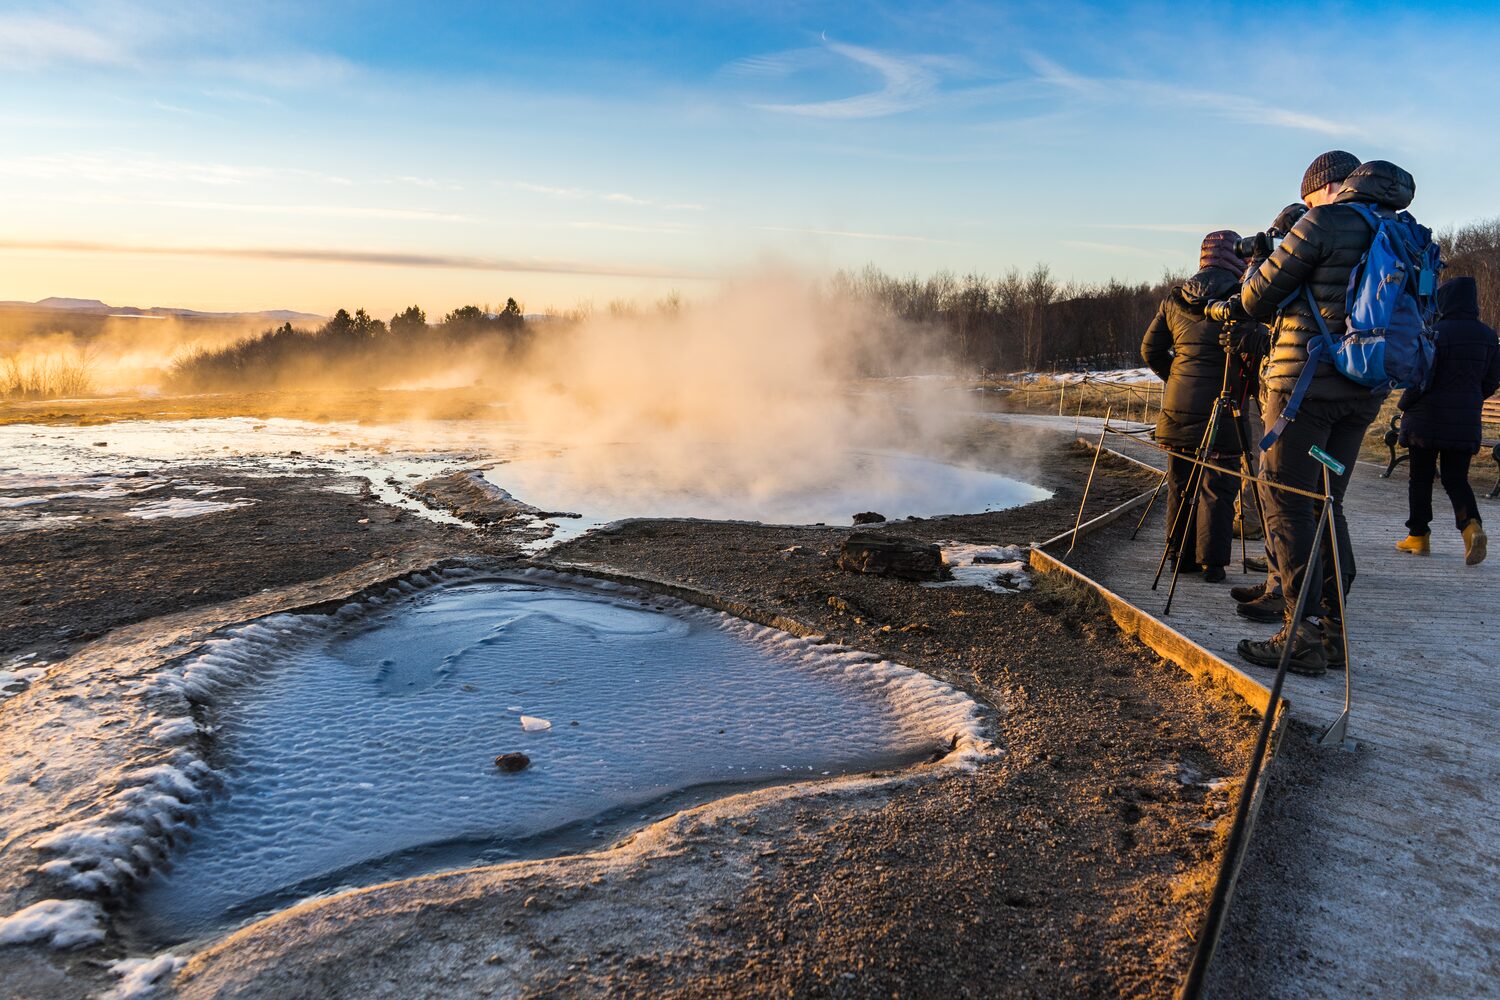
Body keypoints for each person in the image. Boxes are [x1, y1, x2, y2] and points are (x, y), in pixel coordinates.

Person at [1234, 156, 1421, 676]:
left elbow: (1254, 299)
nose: (1310, 201)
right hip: (1362, 395)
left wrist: (1260, 257)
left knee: (1289, 502)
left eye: (1312, 193)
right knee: (1326, 502)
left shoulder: (1321, 222)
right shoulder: (1404, 230)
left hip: (1304, 392)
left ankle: (1302, 635)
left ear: (1332, 187)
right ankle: (1334, 632)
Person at [1141, 231, 1246, 583]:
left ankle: (1179, 558)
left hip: (1178, 408)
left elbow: (1150, 351)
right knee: (1218, 487)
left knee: (1180, 484)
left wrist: (1176, 378)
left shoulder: (1175, 298)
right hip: (1225, 405)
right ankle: (1212, 565)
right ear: (1237, 258)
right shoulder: (1244, 298)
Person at [1394, 275, 1500, 564]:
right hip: (1464, 420)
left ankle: (1418, 536)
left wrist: (1405, 404)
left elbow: (1419, 377)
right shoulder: (1489, 337)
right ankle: (1471, 526)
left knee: (1421, 478)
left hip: (1425, 419)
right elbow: (1492, 380)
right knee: (1456, 478)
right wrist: (1470, 398)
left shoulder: (1434, 332)